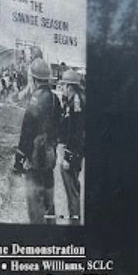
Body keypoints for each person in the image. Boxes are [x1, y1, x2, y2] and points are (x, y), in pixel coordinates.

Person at [13, 57, 60, 223]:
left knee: (35, 207)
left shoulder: (34, 100)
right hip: (50, 157)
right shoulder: (56, 99)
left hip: (35, 159)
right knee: (49, 202)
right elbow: (57, 129)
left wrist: (18, 160)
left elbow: (27, 133)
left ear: (33, 79)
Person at [57, 69, 85, 223]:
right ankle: (75, 222)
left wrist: (67, 156)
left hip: (72, 154)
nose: (62, 88)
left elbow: (77, 132)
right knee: (74, 188)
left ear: (70, 86)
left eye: (63, 86)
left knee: (72, 191)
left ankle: (74, 226)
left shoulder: (76, 102)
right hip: (75, 153)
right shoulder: (75, 99)